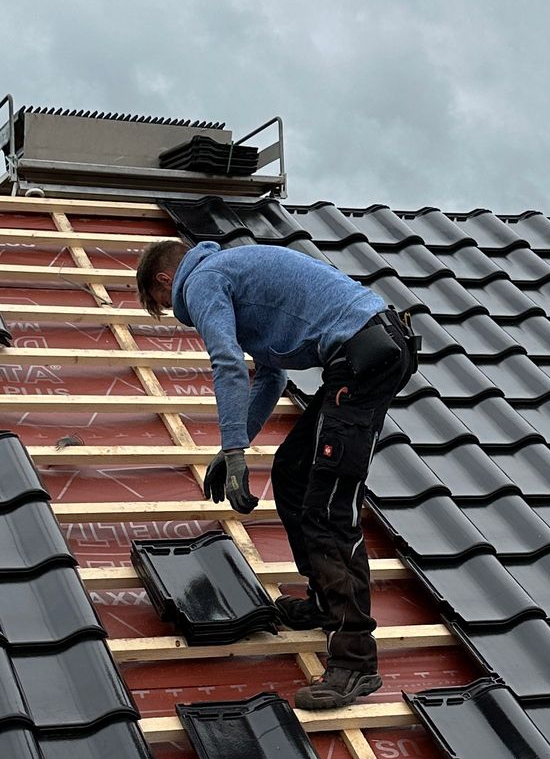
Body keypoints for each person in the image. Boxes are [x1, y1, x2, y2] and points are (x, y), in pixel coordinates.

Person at [136, 234, 417, 711]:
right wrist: (235, 446)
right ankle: (323, 600)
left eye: (162, 302)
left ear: (166, 279)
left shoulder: (202, 280)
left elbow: (226, 362)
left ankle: (354, 662)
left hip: (363, 358)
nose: (173, 312)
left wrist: (233, 447)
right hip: (370, 349)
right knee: (292, 470)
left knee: (328, 510)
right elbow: (271, 376)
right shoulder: (234, 274)